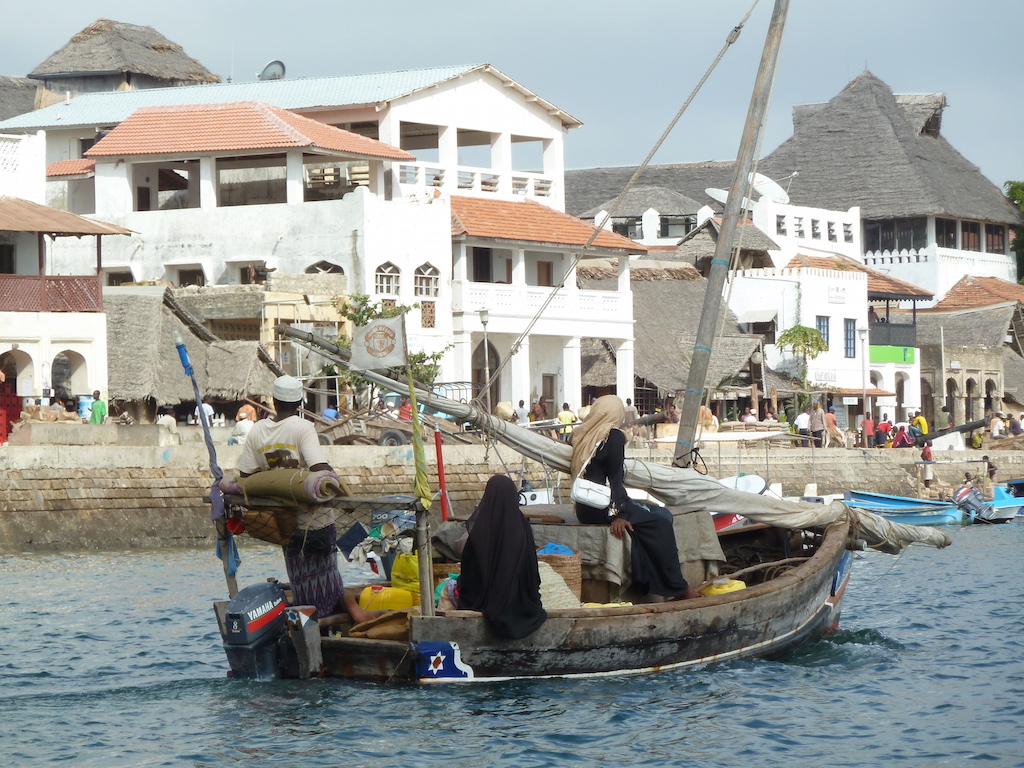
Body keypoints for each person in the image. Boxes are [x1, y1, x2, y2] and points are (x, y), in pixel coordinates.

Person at [237, 375, 374, 626]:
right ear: (300, 401)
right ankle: (332, 624)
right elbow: (318, 466)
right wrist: (341, 491)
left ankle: (308, 623)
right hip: (316, 520)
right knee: (327, 576)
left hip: (284, 523)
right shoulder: (302, 427)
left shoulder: (257, 430)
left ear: (274, 401)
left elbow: (246, 474)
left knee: (300, 579)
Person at [569, 395, 701, 600]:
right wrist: (617, 516)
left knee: (653, 512)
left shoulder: (583, 435)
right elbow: (614, 480)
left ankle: (650, 578)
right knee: (661, 519)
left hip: (585, 508)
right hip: (605, 506)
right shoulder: (613, 436)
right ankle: (679, 588)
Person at [447, 475, 546, 639]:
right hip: (523, 607)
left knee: (451, 586)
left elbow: (469, 575)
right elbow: (532, 573)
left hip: (482, 601)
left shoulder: (480, 529)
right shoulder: (522, 528)